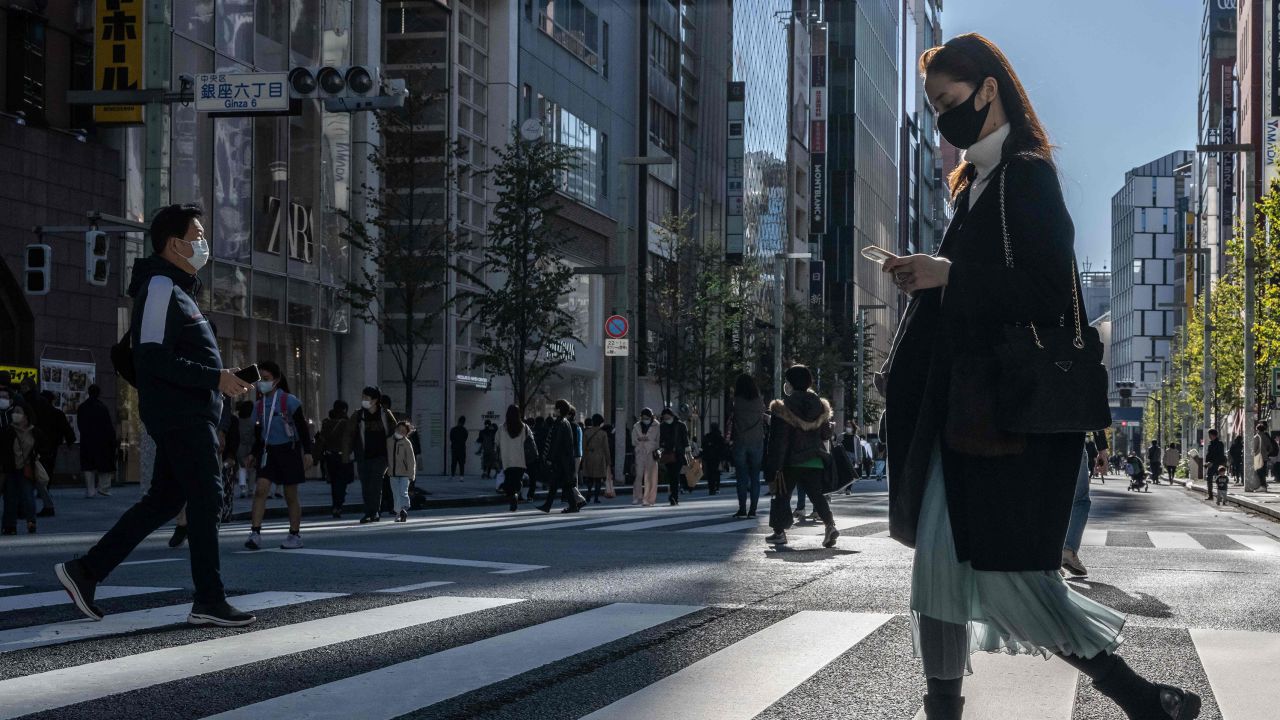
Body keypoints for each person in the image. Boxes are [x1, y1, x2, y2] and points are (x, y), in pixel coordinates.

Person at [880, 36, 1199, 719]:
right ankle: (950, 711)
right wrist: (928, 277)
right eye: (932, 107)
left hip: (1005, 418)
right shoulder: (975, 184)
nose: (941, 119)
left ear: (988, 89)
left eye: (947, 100)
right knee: (939, 572)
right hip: (964, 415)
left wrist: (948, 275)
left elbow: (1050, 291)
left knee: (1015, 580)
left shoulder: (1026, 176)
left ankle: (1143, 698)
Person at [55, 203, 256, 626]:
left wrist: (221, 378)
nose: (203, 243)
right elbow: (151, 358)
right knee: (206, 498)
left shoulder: (177, 288)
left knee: (164, 500)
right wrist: (215, 378)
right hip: (181, 414)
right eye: (197, 235)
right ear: (174, 244)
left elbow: (170, 354)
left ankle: (86, 571)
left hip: (185, 411)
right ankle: (209, 600)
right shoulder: (162, 286)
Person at [761, 365, 839, 549]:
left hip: (791, 461)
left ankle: (779, 533)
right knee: (817, 495)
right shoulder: (819, 406)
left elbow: (779, 441)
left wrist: (774, 467)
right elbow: (825, 434)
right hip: (815, 458)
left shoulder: (783, 407)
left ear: (790, 383)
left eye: (787, 381)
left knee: (782, 495)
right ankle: (830, 526)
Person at [243, 362, 313, 551]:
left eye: (266, 379)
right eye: (260, 380)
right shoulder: (258, 406)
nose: (262, 383)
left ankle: (294, 534)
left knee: (290, 495)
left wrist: (308, 452)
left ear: (276, 380)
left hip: (289, 450)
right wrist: (253, 454)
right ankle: (255, 533)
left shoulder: (289, 401)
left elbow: (302, 429)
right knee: (261, 489)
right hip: (268, 452)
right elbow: (259, 436)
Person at [351, 387, 396, 523]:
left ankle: (375, 511)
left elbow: (395, 431)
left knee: (375, 484)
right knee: (365, 485)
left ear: (375, 400)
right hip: (363, 456)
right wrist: (347, 453)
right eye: (363, 397)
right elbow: (349, 434)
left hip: (381, 456)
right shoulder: (358, 415)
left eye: (367, 398)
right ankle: (368, 512)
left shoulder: (385, 414)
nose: (363, 400)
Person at [30, 390, 73, 517]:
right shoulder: (57, 413)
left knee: (38, 470)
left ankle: (42, 493)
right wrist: (70, 441)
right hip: (52, 445)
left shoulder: (36, 412)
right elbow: (66, 428)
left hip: (37, 446)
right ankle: (45, 490)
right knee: (47, 469)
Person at [2, 405, 44, 534]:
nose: (15, 414)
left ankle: (31, 523)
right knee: (10, 499)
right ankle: (10, 526)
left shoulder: (34, 432)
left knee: (28, 497)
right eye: (14, 412)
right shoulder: (8, 431)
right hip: (10, 469)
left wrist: (37, 456)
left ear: (26, 415)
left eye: (18, 412)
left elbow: (43, 447)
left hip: (27, 469)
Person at [729, 374, 765, 518]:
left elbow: (731, 420)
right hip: (756, 441)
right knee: (755, 477)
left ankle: (742, 508)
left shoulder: (736, 402)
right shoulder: (759, 401)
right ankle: (753, 510)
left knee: (741, 477)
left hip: (740, 441)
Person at [537, 399, 584, 513]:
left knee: (560, 483)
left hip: (561, 460)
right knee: (561, 484)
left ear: (558, 410)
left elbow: (556, 443)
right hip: (564, 459)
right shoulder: (564, 422)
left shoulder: (560, 423)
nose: (554, 410)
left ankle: (552, 506)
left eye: (555, 408)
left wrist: (550, 458)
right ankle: (553, 505)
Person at [316, 400, 356, 518]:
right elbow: (352, 439)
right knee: (342, 482)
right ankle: (338, 505)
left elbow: (322, 440)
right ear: (345, 410)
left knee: (334, 482)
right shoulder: (347, 423)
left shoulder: (327, 423)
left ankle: (336, 505)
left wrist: (317, 456)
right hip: (343, 456)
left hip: (330, 456)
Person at [78, 384, 117, 498]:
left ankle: (90, 490)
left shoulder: (82, 407)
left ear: (89, 392)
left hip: (87, 439)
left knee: (88, 465)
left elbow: (80, 424)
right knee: (104, 464)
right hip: (102, 440)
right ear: (99, 393)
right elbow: (108, 426)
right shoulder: (102, 407)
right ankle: (103, 488)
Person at [1061, 449, 1092, 577]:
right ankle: (1068, 551)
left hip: (1037, 441)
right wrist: (1102, 449)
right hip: (1072, 443)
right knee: (1080, 500)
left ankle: (1048, 558)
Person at [498, 405, 534, 511]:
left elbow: (496, 442)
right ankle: (516, 494)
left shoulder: (501, 428)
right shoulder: (525, 428)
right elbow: (531, 441)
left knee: (508, 480)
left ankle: (513, 495)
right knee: (517, 479)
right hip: (521, 460)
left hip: (507, 460)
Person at [657, 407, 689, 506]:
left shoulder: (681, 425)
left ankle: (674, 496)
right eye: (664, 417)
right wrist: (660, 449)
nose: (666, 419)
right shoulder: (662, 426)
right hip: (667, 454)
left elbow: (685, 439)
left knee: (675, 475)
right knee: (671, 476)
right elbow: (660, 440)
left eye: (668, 417)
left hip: (678, 454)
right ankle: (674, 495)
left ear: (672, 415)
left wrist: (688, 453)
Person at [387, 420, 416, 522]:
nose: (400, 432)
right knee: (395, 493)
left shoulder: (407, 443)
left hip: (404, 473)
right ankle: (398, 512)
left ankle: (404, 508)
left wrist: (411, 475)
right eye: (399, 429)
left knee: (403, 492)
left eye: (403, 431)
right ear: (395, 429)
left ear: (406, 433)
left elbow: (411, 460)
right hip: (392, 473)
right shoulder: (389, 441)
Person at [631, 409, 660, 507]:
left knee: (649, 477)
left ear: (651, 417)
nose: (645, 420)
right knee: (638, 475)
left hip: (651, 452)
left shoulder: (657, 425)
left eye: (647, 418)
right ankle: (636, 496)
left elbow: (658, 441)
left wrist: (650, 442)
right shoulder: (636, 426)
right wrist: (639, 439)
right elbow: (633, 440)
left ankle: (647, 499)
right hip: (640, 452)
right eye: (643, 418)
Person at [581, 414, 612, 504]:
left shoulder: (587, 432)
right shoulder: (603, 433)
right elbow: (606, 448)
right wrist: (608, 460)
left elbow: (583, 446)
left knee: (590, 478)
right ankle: (596, 497)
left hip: (589, 456)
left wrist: (583, 458)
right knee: (598, 479)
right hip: (600, 457)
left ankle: (588, 494)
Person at [234, 401, 255, 498]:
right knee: (251, 469)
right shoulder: (252, 421)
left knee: (242, 468)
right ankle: (251, 489)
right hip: (250, 446)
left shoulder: (238, 421)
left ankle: (242, 488)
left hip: (240, 446)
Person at [700, 422, 726, 495]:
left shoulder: (708, 436)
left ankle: (711, 488)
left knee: (710, 473)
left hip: (709, 458)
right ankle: (717, 487)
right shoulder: (720, 437)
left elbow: (703, 447)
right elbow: (723, 448)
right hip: (717, 458)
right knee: (716, 473)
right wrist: (722, 457)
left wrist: (703, 455)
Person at [1249, 422, 1272, 492]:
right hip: (1265, 457)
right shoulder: (1266, 437)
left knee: (1259, 471)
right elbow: (1270, 448)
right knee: (1263, 472)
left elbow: (1254, 448)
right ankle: (1264, 486)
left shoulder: (1256, 437)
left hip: (1258, 457)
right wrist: (1267, 453)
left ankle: (1262, 486)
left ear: (1257, 429)